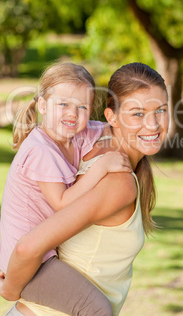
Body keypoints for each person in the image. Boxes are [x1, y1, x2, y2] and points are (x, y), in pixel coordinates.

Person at [0, 62, 169, 316]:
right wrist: (11, 288)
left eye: (161, 110)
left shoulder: (85, 141)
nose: (153, 124)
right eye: (137, 113)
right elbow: (27, 247)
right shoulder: (117, 180)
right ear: (112, 116)